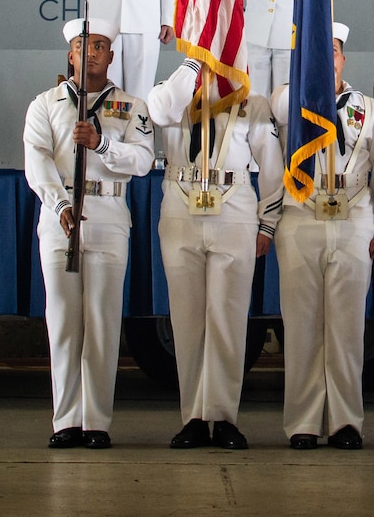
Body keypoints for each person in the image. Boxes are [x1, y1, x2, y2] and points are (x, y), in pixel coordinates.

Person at [256, 23, 374, 450]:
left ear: (343, 58)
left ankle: (345, 422)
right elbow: (269, 161)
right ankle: (302, 422)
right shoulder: (285, 100)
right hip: (300, 218)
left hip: (353, 219)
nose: (327, 57)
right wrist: (266, 223)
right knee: (301, 327)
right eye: (317, 51)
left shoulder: (368, 108)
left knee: (346, 328)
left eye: (333, 51)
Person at [23, 18, 154, 451]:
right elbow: (37, 160)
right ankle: (65, 421)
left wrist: (102, 145)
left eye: (100, 45)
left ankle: (95, 420)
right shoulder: (46, 103)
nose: (93, 52)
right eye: (84, 45)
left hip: (109, 214)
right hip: (61, 215)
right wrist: (59, 204)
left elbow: (143, 160)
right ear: (71, 54)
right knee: (62, 324)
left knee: (101, 323)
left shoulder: (131, 107)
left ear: (112, 56)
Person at [146, 57, 270, 450]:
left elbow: (270, 163)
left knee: (228, 318)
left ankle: (223, 417)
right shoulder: (173, 91)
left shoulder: (251, 100)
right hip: (181, 206)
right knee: (187, 320)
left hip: (233, 206)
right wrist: (191, 69)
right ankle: (194, 417)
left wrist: (268, 221)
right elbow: (160, 111)